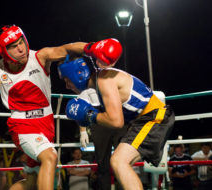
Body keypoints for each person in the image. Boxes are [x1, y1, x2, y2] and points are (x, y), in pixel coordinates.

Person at [0, 24, 88, 190]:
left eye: (21, 42)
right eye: (14, 47)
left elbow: (66, 49)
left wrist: (93, 47)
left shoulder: (39, 57)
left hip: (47, 123)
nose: (21, 49)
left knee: (37, 181)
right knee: (50, 157)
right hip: (22, 125)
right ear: (4, 51)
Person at [60, 38, 175, 189]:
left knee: (118, 161)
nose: (67, 86)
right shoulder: (100, 79)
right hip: (146, 119)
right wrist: (90, 47)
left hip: (154, 118)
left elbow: (116, 122)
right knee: (119, 162)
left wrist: (89, 115)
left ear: (78, 74)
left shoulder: (104, 80)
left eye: (67, 80)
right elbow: (70, 47)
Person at [58, 58, 126, 190]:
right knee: (102, 163)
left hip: (118, 118)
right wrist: (83, 131)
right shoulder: (83, 87)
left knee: (123, 161)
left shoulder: (104, 76)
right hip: (99, 122)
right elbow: (80, 110)